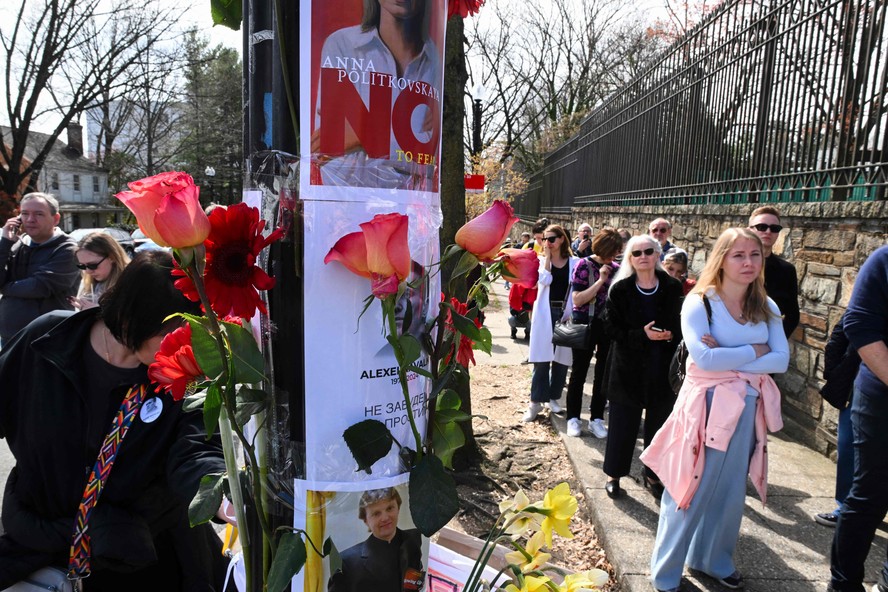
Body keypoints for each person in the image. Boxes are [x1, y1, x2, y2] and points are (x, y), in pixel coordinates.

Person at [0, 251, 230, 589]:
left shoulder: (183, 374)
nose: (184, 347)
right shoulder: (49, 340)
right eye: (173, 334)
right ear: (130, 316)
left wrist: (220, 496)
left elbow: (197, 449)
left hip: (142, 556)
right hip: (40, 543)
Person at [642, 228, 789, 592]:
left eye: (754, 255)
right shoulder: (700, 302)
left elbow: (782, 360)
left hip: (745, 409)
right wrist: (756, 351)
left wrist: (728, 358)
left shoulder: (767, 306)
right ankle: (666, 574)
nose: (748, 262)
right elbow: (703, 360)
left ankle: (713, 560)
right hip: (703, 407)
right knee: (688, 487)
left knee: (728, 492)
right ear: (721, 258)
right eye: (739, 255)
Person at [311, 0, 440, 190]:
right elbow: (333, 168)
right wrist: (402, 137)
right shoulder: (342, 46)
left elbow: (426, 170)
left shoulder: (434, 60)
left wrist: (361, 134)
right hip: (348, 212)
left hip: (412, 211)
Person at [601, 234, 682, 499]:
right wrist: (640, 335)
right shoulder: (620, 289)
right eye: (637, 253)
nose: (643, 256)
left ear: (658, 254)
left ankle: (653, 475)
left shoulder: (671, 286)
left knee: (658, 426)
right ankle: (614, 475)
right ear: (630, 259)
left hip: (661, 369)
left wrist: (671, 335)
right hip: (627, 368)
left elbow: (681, 323)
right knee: (623, 425)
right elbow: (610, 327)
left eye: (649, 251)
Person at [829, 245, 888, 592]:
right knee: (869, 494)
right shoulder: (882, 261)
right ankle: (844, 583)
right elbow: (860, 324)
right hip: (881, 397)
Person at [564, 228, 623, 439]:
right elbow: (577, 300)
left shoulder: (618, 269)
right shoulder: (583, 264)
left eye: (617, 251)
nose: (614, 256)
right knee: (579, 373)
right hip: (584, 323)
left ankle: (596, 418)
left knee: (603, 375)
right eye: (613, 251)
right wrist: (600, 281)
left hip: (607, 326)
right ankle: (573, 418)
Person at [0, 193, 79, 344]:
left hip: (47, 338)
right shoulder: (15, 245)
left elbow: (40, 286)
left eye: (39, 214)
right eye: (24, 214)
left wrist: (5, 288)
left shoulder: (68, 249)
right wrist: (4, 243)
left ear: (55, 219)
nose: (30, 220)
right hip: (9, 336)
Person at [524, 224, 578, 422]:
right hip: (546, 312)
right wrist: (547, 257)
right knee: (540, 359)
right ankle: (535, 402)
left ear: (562, 239)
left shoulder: (575, 262)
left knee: (562, 360)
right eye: (544, 239)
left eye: (551, 239)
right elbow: (544, 281)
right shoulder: (540, 261)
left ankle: (554, 397)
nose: (547, 243)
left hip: (565, 313)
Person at [328, 488, 423, 592]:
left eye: (390, 508)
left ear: (398, 508)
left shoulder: (413, 542)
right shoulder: (345, 562)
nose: (385, 518)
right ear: (366, 521)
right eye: (376, 513)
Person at [814, 313, 860, 528]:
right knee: (850, 447)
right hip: (861, 385)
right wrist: (834, 372)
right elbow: (841, 333)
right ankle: (845, 507)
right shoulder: (876, 286)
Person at [748, 205, 799, 338]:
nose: (768, 232)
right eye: (762, 227)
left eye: (774, 228)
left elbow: (792, 316)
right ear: (749, 230)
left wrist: (775, 341)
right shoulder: (733, 264)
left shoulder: (787, 270)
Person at [71, 231, 131, 310]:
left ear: (112, 257)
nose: (87, 271)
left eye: (92, 265)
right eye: (82, 266)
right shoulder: (88, 281)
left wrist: (100, 311)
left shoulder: (131, 281)